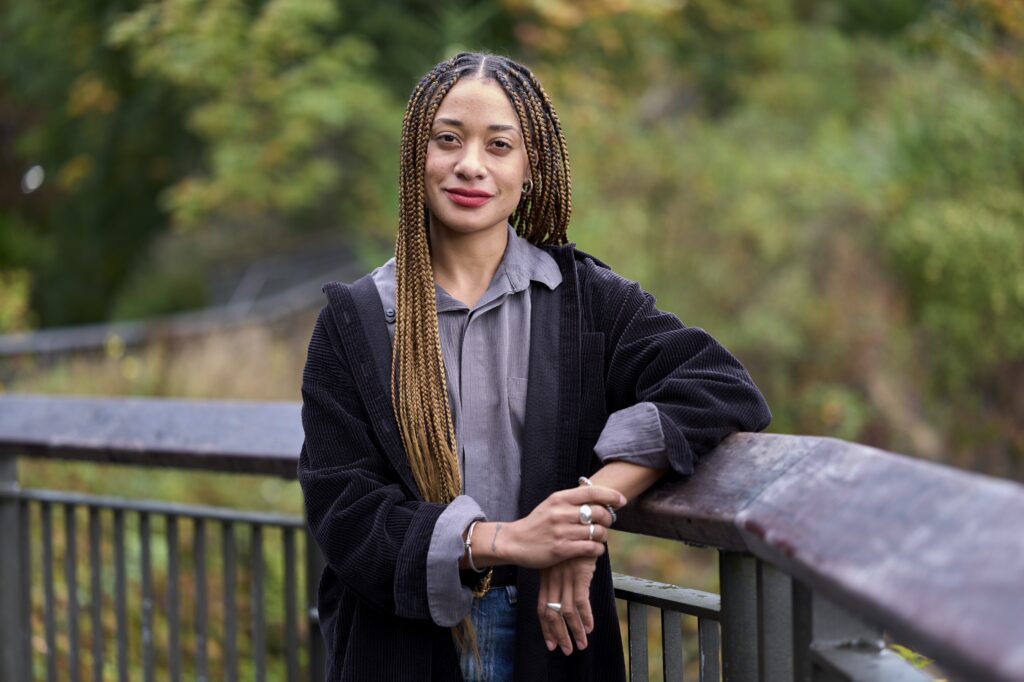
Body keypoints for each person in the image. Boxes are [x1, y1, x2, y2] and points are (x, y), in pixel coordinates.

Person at [298, 52, 771, 682]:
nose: (471, 165)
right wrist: (507, 541)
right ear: (418, 156)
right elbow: (344, 510)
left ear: (530, 166)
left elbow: (718, 386)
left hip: (553, 639)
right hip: (398, 649)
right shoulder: (355, 322)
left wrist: (584, 514)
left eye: (499, 145)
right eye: (448, 140)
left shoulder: (584, 301)